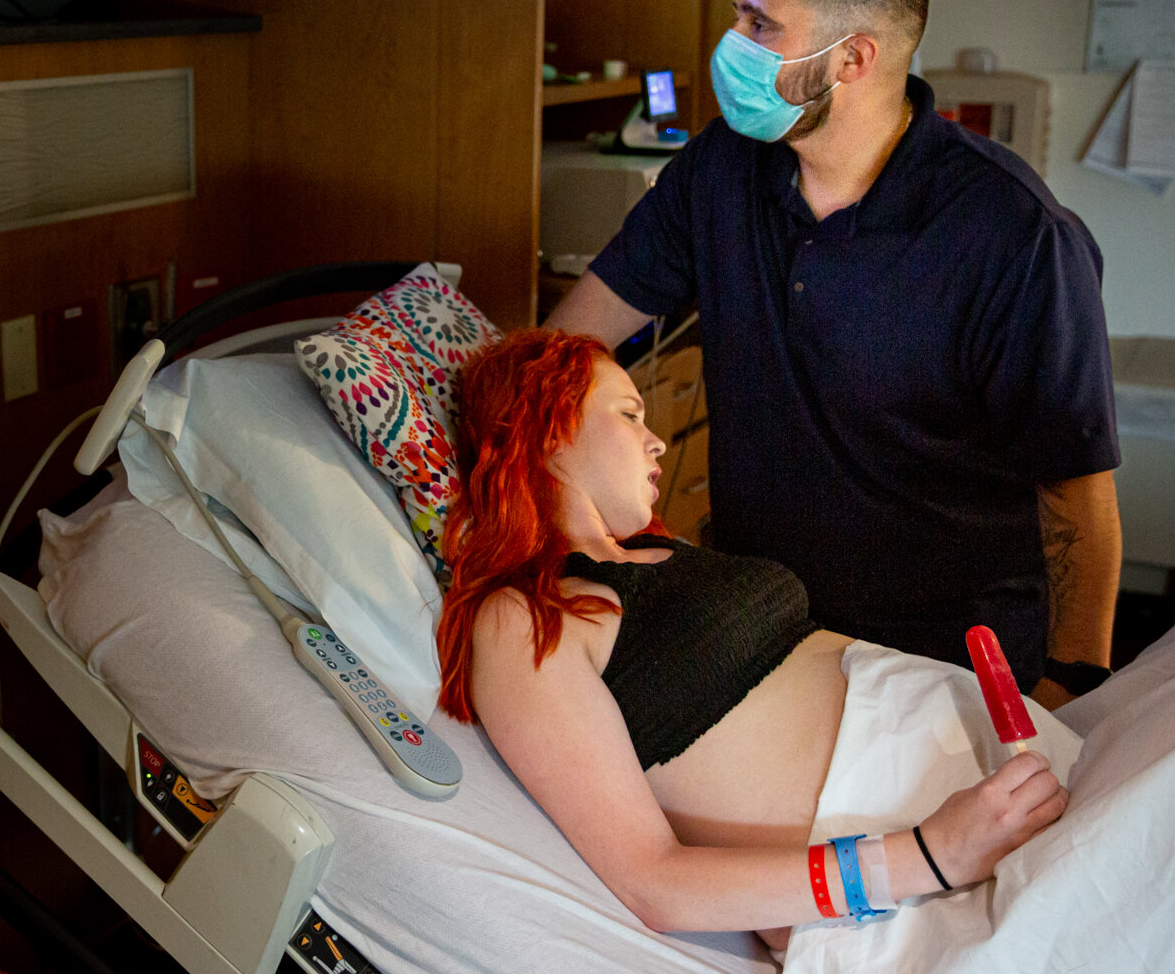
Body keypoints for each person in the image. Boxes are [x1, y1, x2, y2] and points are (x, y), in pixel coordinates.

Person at [547, 0, 1120, 707]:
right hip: (771, 623)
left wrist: (1073, 686)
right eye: (740, 16)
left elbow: (1077, 495)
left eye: (761, 25)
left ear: (854, 57)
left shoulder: (1013, 237)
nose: (732, 44)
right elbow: (570, 337)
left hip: (949, 663)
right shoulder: (723, 168)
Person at [436, 328, 1070, 940]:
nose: (656, 442)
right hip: (920, 865)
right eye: (630, 414)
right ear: (549, 431)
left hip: (989, 772)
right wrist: (930, 856)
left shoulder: (660, 553)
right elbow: (653, 882)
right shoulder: (522, 619)